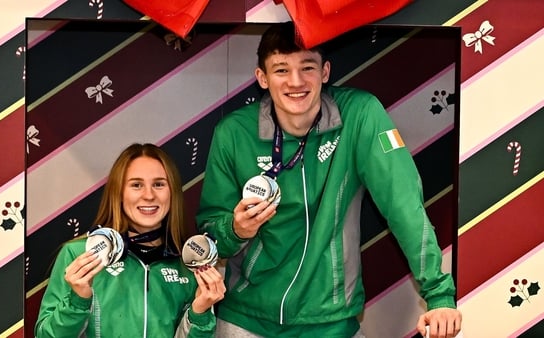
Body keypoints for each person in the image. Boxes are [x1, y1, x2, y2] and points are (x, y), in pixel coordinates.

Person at [195, 22, 462, 338]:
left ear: (325, 72)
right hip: (247, 319)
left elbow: (403, 205)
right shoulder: (233, 133)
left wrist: (439, 293)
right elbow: (210, 231)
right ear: (262, 78)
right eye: (281, 70)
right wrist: (236, 228)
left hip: (331, 323)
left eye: (307, 67)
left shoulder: (359, 114)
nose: (296, 81)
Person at [35, 143, 226, 338]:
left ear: (173, 192)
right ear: (118, 193)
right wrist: (77, 301)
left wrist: (200, 313)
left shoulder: (191, 263)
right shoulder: (79, 254)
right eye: (136, 185)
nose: (149, 195)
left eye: (159, 184)